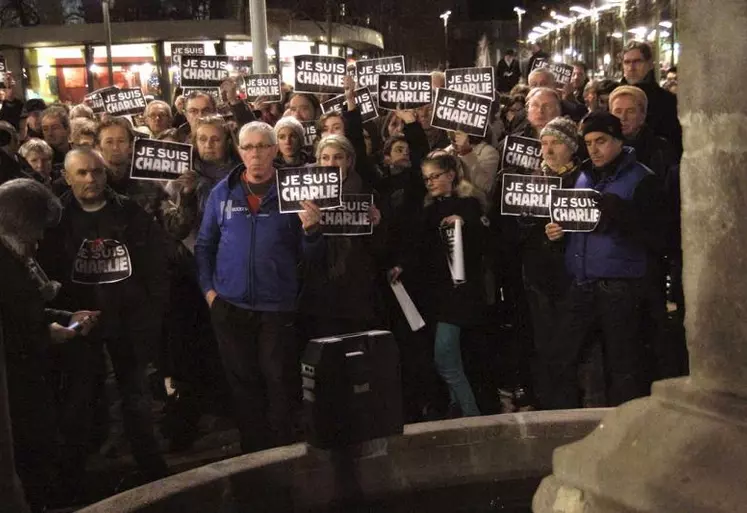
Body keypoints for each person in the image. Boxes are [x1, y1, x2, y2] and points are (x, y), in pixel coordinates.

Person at [39, 148, 169, 501]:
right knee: (80, 399)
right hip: (80, 323)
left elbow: (156, 265)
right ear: (67, 176)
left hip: (128, 321)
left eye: (96, 172)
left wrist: (148, 313)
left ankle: (151, 467)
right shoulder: (56, 218)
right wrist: (66, 316)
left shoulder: (129, 211)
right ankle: (76, 475)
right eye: (81, 173)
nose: (91, 179)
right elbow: (47, 271)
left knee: (136, 395)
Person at [194, 121, 325, 453]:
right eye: (248, 147)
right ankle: (252, 454)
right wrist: (210, 292)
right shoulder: (221, 192)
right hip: (230, 306)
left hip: (276, 307)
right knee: (243, 385)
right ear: (239, 150)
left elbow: (310, 256)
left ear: (274, 150)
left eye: (262, 146)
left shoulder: (293, 191)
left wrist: (311, 232)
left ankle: (281, 453)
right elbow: (205, 246)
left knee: (279, 382)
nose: (255, 153)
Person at [543, 112, 663, 409]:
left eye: (601, 141)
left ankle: (626, 433)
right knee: (561, 358)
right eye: (588, 143)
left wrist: (618, 211)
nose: (594, 149)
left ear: (618, 141)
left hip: (621, 287)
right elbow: (574, 227)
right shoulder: (582, 176)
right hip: (582, 282)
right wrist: (558, 234)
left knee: (622, 367)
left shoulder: (643, 179)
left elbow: (657, 235)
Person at [0, 178, 98, 511]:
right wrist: (46, 335)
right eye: (37, 230)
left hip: (31, 377)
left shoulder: (16, 255)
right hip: (13, 388)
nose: (41, 240)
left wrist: (68, 314)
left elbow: (28, 311)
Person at [389, 153, 489, 418]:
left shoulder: (469, 204)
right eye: (426, 178)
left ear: (451, 175)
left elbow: (484, 243)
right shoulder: (427, 210)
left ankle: (472, 416)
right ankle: (460, 411)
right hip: (436, 294)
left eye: (435, 176)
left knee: (446, 358)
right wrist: (401, 267)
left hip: (460, 295)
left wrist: (463, 224)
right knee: (447, 359)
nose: (430, 182)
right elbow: (418, 249)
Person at [609, 85, 685, 380]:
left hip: (648, 251)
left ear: (643, 115)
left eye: (631, 111)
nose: (624, 118)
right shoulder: (603, 150)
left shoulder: (660, 149)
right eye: (618, 112)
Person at [519, 117, 582, 408]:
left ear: (570, 147)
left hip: (571, 274)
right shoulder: (529, 180)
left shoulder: (582, 179)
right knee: (543, 343)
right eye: (544, 143)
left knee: (569, 345)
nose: (548, 149)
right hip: (537, 275)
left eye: (555, 143)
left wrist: (564, 232)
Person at [619, 40, 682, 157]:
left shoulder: (667, 101)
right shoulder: (613, 99)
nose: (631, 67)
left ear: (649, 64)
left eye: (637, 61)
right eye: (627, 62)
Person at [444, 130, 499, 208]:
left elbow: (484, 187)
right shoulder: (448, 150)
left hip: (472, 208)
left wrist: (466, 153)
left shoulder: (488, 152)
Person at [40, 106, 71, 170]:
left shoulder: (79, 152)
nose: (49, 133)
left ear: (67, 129)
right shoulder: (42, 159)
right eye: (45, 129)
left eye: (55, 128)